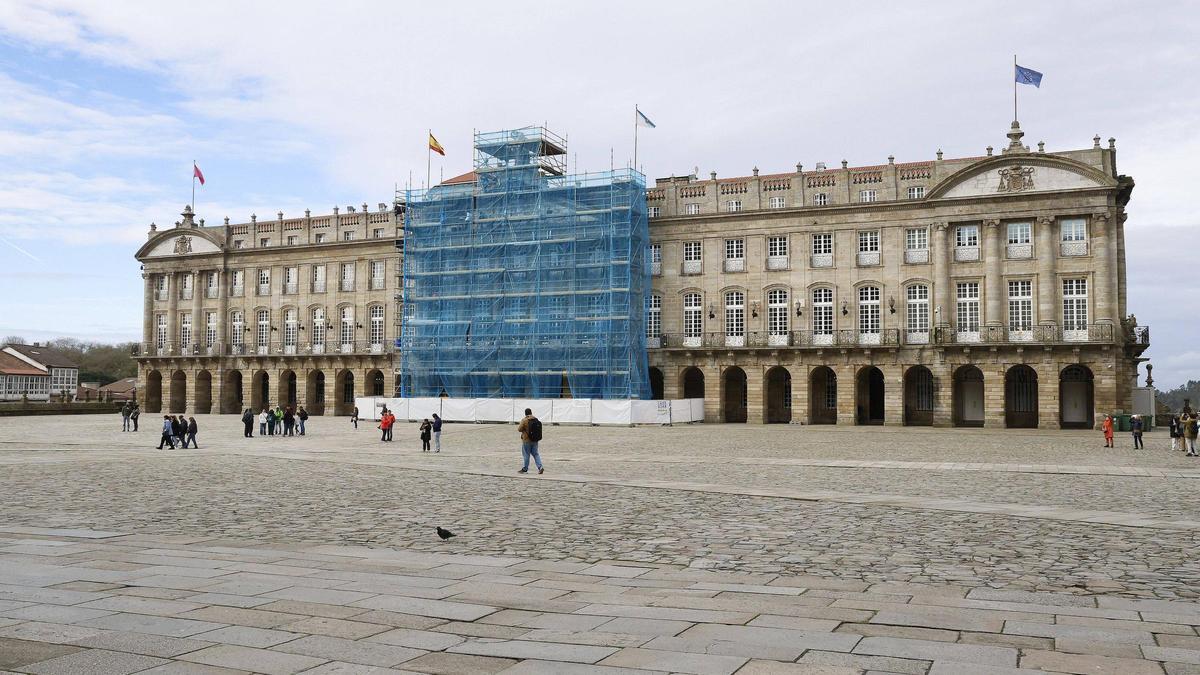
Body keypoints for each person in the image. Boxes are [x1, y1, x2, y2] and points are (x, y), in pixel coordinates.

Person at [516, 407, 544, 474]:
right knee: (536, 454)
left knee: (526, 454)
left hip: (526, 440)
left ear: (525, 413)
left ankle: (525, 469)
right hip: (535, 440)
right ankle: (540, 467)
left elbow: (519, 429)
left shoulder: (524, 420)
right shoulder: (536, 419)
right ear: (531, 412)